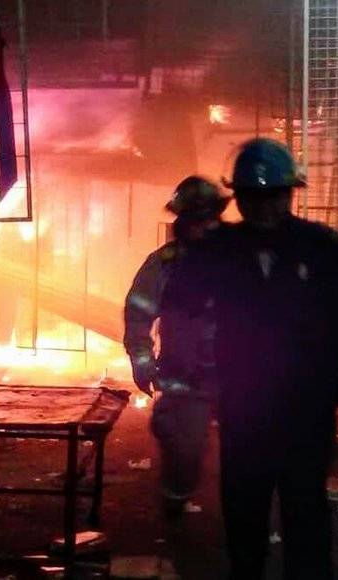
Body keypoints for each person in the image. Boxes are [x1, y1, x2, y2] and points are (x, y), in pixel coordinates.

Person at [162, 139, 338, 579]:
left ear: (290, 193)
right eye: (253, 197)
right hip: (243, 406)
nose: (263, 207)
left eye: (273, 195)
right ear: (237, 196)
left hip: (309, 406)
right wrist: (187, 378)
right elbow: (180, 310)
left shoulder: (324, 247)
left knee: (305, 509)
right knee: (244, 513)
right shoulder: (215, 250)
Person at [123, 175, 229, 516]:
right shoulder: (164, 264)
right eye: (196, 219)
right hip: (186, 379)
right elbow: (138, 314)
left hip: (235, 377)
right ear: (182, 220)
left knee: (250, 458)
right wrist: (142, 361)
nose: (204, 227)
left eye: (209, 217)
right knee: (187, 453)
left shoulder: (238, 259)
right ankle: (174, 502)